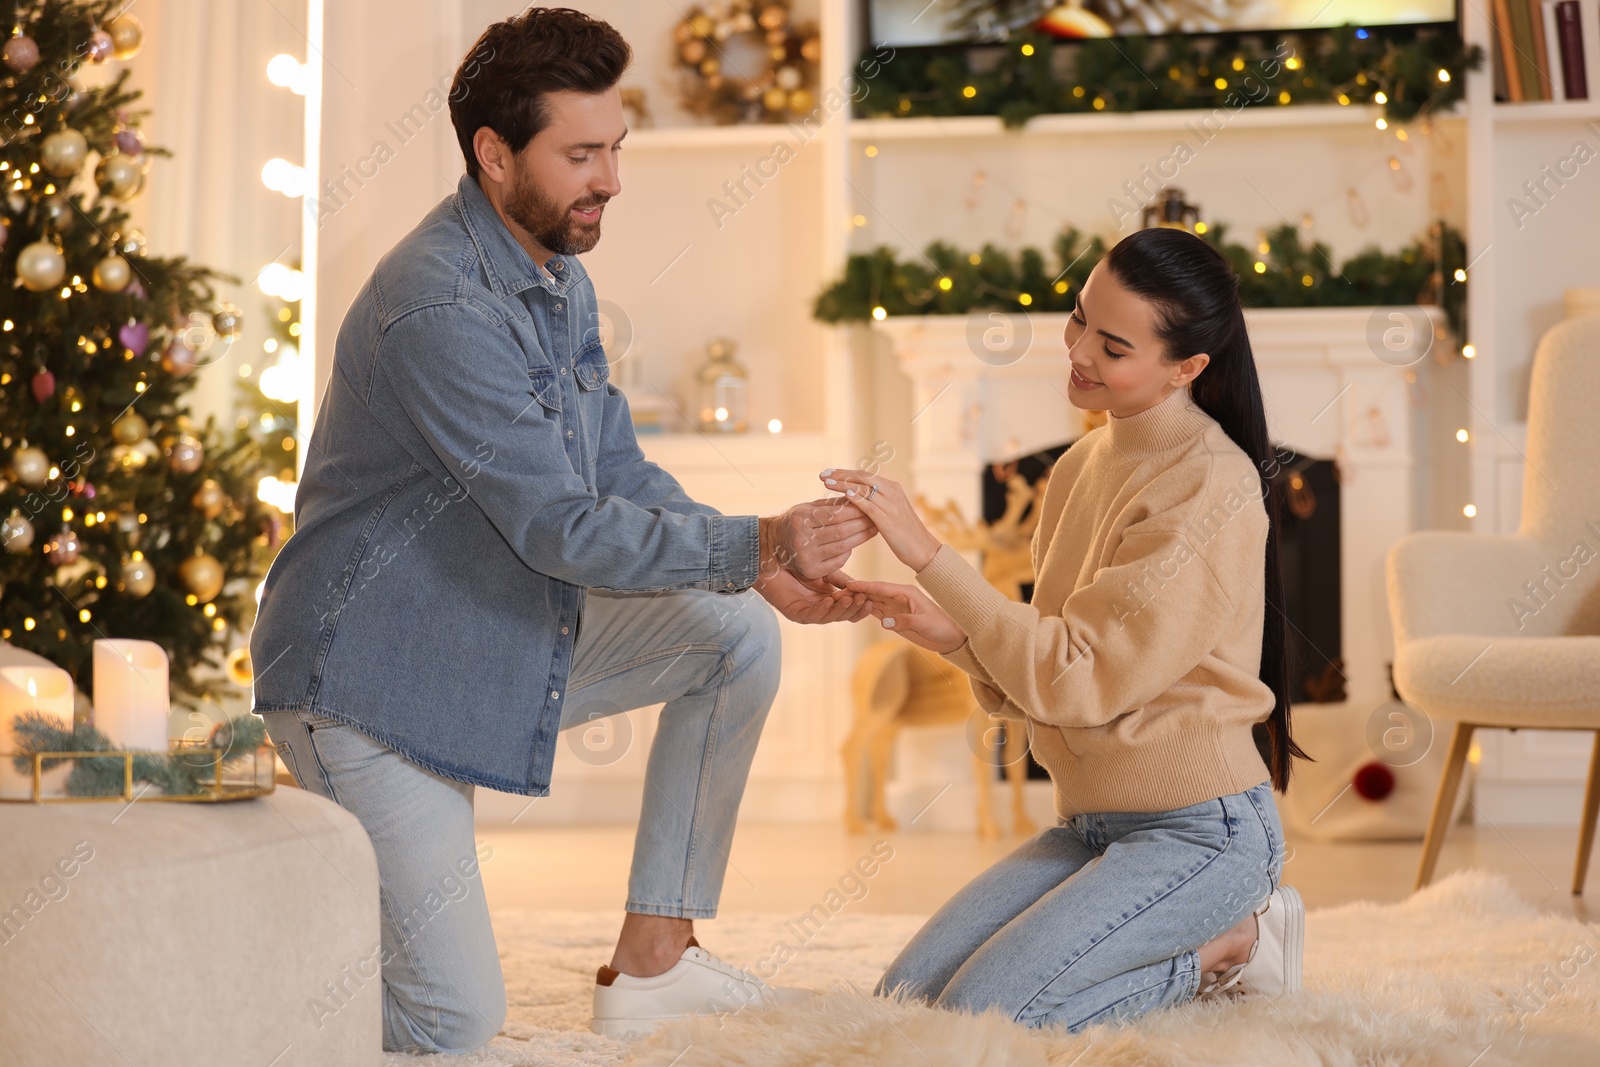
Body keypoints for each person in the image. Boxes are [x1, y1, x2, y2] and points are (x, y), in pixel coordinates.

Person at [249, 8, 873, 1054]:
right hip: (364, 686)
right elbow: (563, 528)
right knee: (454, 1021)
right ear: (495, 156)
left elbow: (615, 466)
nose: (612, 179)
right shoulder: (438, 305)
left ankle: (656, 958)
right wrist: (763, 541)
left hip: (478, 636)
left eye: (615, 147)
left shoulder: (554, 273)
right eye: (582, 154)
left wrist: (748, 569)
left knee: (733, 636)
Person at [826, 226, 1313, 1032]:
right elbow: (1046, 675)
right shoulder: (1082, 467)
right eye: (1079, 316)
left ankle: (1232, 946)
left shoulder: (1209, 486)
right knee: (908, 1005)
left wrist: (928, 553)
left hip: (1202, 833)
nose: (1079, 349)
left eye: (1113, 345)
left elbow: (1076, 678)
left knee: (989, 1015)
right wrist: (955, 637)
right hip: (1091, 823)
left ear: (1186, 366)